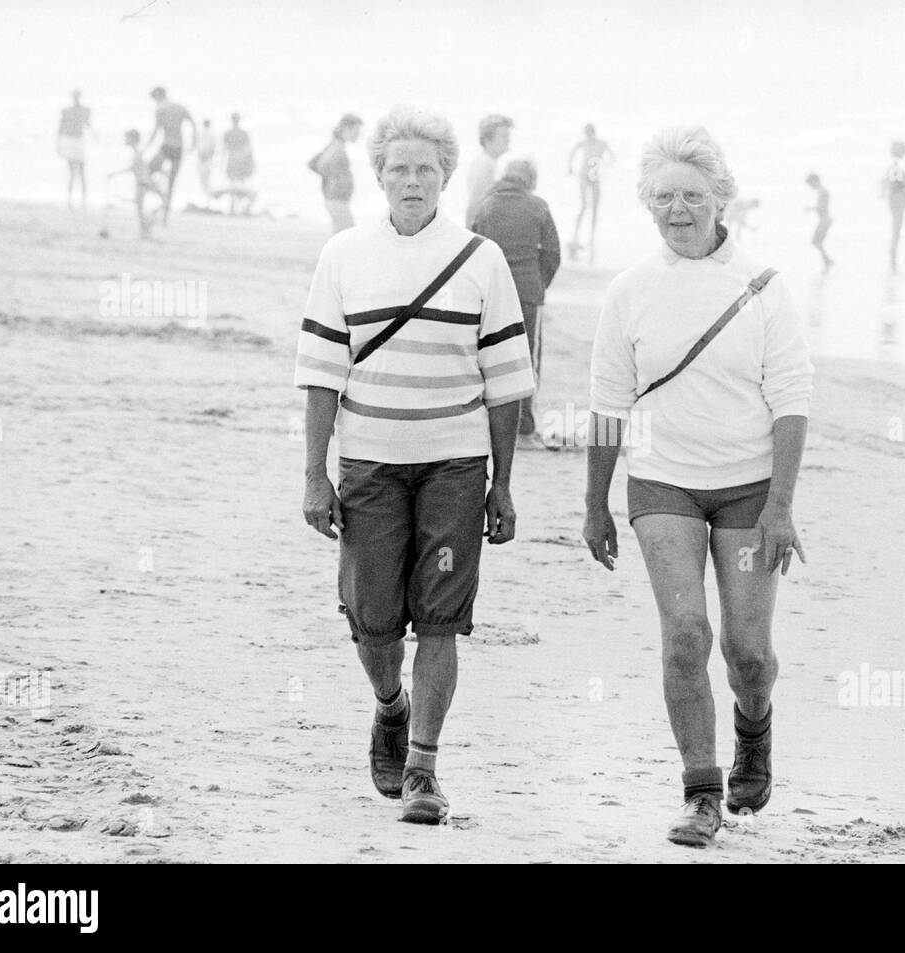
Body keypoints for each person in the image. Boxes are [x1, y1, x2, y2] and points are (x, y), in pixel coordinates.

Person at [297, 105, 534, 826]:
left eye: (424, 169)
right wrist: (315, 472)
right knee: (371, 622)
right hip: (370, 464)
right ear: (378, 176)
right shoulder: (343, 255)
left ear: (446, 176)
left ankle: (425, 768)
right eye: (397, 169)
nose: (411, 181)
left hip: (455, 470)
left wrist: (504, 484)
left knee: (439, 620)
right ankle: (390, 706)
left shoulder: (481, 259)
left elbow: (506, 384)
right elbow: (320, 374)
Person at [583, 126, 812, 848]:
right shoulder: (629, 291)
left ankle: (755, 728)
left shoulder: (766, 290)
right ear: (646, 204)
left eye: (691, 194)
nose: (677, 209)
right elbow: (607, 402)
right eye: (663, 196)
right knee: (686, 635)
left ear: (722, 199)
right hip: (662, 485)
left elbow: (792, 400)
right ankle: (700, 792)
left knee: (748, 651)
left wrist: (780, 506)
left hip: (749, 489)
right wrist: (595, 503)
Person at [472, 158, 562, 450]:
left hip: (492, 294)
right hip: (526, 294)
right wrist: (538, 283)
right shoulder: (538, 206)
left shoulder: (486, 206)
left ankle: (489, 426)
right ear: (530, 179)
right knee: (527, 361)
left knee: (491, 359)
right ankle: (524, 430)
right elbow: (552, 253)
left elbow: (473, 252)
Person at [144, 87, 195, 226]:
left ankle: (160, 197)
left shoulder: (160, 109)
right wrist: (193, 143)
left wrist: (145, 148)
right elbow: (193, 123)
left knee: (146, 173)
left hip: (167, 146)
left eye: (154, 98)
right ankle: (165, 217)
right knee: (172, 183)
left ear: (158, 96)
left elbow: (156, 131)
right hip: (179, 148)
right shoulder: (179, 107)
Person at [567, 123, 615, 261]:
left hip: (594, 177)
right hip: (585, 176)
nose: (588, 136)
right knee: (584, 206)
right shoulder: (585, 143)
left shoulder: (601, 143)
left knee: (594, 208)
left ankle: (591, 238)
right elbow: (572, 152)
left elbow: (612, 158)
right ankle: (576, 235)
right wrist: (570, 167)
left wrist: (605, 165)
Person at [310, 113, 364, 234]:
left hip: (336, 198)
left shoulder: (336, 145)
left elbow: (317, 165)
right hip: (336, 198)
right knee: (347, 234)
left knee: (341, 235)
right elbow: (322, 165)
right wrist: (336, 181)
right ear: (347, 128)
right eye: (357, 130)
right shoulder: (337, 147)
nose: (359, 134)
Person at [107, 129, 164, 239]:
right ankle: (146, 232)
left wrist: (113, 174)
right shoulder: (138, 152)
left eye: (127, 138)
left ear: (133, 139)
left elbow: (132, 168)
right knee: (141, 209)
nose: (125, 140)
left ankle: (145, 233)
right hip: (144, 183)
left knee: (140, 210)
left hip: (142, 183)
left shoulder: (137, 153)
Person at [464, 113, 513, 227]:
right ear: (487, 139)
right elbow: (475, 202)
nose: (508, 140)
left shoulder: (489, 162)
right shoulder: (486, 163)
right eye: (504, 136)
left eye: (508, 136)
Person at [56, 89, 93, 212]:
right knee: (72, 173)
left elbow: (88, 124)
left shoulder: (84, 111)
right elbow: (61, 128)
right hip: (71, 142)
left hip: (79, 142)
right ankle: (70, 199)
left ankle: (83, 199)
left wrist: (96, 135)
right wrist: (58, 144)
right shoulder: (67, 111)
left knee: (82, 173)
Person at [881, 140, 905, 272]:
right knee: (896, 232)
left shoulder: (895, 166)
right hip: (897, 202)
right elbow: (896, 183)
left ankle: (893, 261)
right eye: (903, 149)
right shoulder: (895, 166)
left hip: (897, 201)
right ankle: (892, 263)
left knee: (896, 232)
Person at [222, 113, 255, 215]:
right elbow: (248, 149)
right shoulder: (244, 133)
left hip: (232, 158)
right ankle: (240, 208)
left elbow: (224, 148)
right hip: (242, 159)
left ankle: (232, 208)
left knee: (232, 183)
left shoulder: (227, 133)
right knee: (241, 183)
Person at [805, 172, 832, 267]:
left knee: (816, 241)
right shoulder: (822, 191)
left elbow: (822, 206)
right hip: (824, 219)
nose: (811, 187)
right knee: (816, 241)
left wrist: (811, 208)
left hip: (825, 219)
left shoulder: (823, 192)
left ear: (815, 181)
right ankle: (827, 260)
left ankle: (827, 260)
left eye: (811, 184)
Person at [196, 119, 217, 200]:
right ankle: (207, 197)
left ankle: (207, 197)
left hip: (205, 159)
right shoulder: (207, 134)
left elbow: (211, 148)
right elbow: (212, 148)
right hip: (205, 159)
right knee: (205, 180)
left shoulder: (204, 134)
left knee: (205, 180)